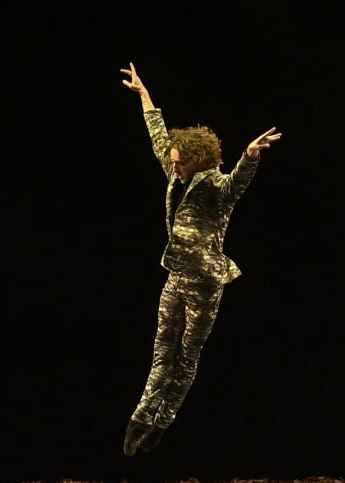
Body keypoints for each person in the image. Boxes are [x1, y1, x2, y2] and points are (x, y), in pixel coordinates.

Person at [120, 62, 282, 457]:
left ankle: (163, 421)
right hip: (176, 275)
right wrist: (144, 95)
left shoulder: (215, 186)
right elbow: (158, 136)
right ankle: (141, 417)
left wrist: (249, 155)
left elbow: (236, 183)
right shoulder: (177, 173)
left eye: (179, 161)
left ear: (197, 159)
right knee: (162, 351)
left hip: (205, 284)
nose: (173, 165)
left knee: (187, 355)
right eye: (173, 161)